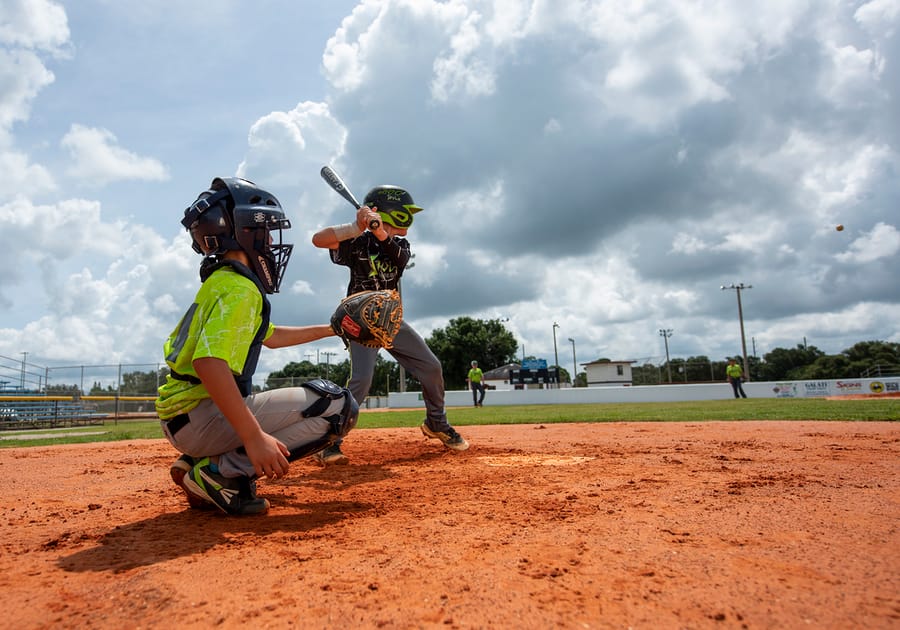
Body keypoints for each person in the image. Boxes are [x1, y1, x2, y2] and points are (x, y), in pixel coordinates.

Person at [156, 177, 359, 516]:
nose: (270, 243)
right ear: (246, 232)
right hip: (201, 417)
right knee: (337, 406)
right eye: (266, 232)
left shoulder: (223, 281)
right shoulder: (240, 290)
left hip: (186, 415)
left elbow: (270, 336)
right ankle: (221, 473)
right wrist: (253, 438)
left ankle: (200, 459)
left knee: (325, 402)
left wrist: (332, 329)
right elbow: (209, 362)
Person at [311, 184, 469, 464]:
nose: (407, 224)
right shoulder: (357, 242)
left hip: (390, 320)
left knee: (431, 367)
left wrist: (380, 231)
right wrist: (355, 226)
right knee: (362, 381)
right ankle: (329, 442)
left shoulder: (400, 246)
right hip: (361, 323)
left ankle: (436, 423)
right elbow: (318, 239)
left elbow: (400, 258)